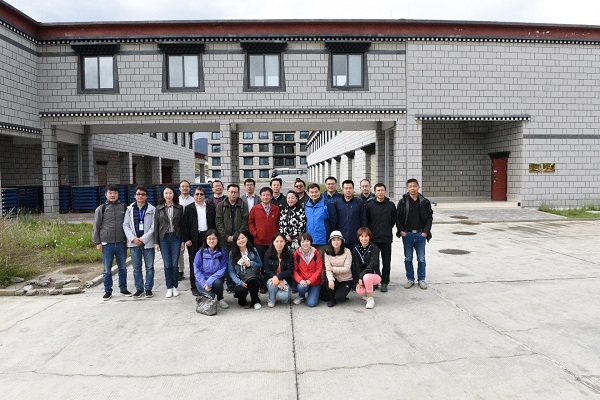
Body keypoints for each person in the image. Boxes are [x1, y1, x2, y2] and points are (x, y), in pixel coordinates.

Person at [93, 184, 130, 300]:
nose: (112, 195)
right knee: (107, 269)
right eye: (110, 193)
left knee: (122, 267)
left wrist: (128, 240)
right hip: (106, 243)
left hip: (121, 242)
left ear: (118, 194)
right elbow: (96, 226)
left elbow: (128, 225)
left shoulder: (124, 207)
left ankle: (123, 288)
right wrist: (98, 242)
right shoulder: (101, 209)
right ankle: (108, 290)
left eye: (115, 193)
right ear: (106, 194)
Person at [396, 178, 433, 290]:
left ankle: (421, 279)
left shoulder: (425, 202)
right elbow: (398, 217)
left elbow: (429, 218)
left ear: (418, 187)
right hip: (407, 235)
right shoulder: (403, 202)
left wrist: (425, 232)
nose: (412, 188)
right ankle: (410, 279)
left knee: (421, 258)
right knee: (408, 258)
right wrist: (401, 231)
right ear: (407, 188)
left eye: (414, 186)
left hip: (420, 234)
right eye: (410, 186)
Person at [123, 185, 156, 299]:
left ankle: (148, 289)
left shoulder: (152, 209)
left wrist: (143, 239)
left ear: (146, 196)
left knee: (149, 267)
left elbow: (153, 226)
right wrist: (133, 238)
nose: (140, 196)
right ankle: (139, 289)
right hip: (134, 243)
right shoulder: (129, 209)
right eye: (138, 194)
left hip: (148, 243)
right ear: (134, 196)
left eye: (143, 194)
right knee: (136, 268)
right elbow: (125, 225)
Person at [182, 186, 216, 296]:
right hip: (194, 239)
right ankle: (194, 286)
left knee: (208, 260)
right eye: (197, 194)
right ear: (194, 196)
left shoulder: (210, 207)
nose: (199, 196)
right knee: (194, 262)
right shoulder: (189, 208)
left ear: (204, 195)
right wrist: (186, 239)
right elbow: (185, 225)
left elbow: (214, 223)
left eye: (201, 194)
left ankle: (208, 284)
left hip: (207, 238)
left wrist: (214, 237)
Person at [215, 184, 249, 291]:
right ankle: (229, 284)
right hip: (225, 240)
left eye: (235, 192)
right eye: (231, 192)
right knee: (227, 262)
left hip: (239, 240)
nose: (233, 194)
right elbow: (218, 222)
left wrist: (237, 236)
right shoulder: (221, 205)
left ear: (238, 193)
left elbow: (245, 221)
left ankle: (239, 282)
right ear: (227, 192)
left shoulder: (242, 205)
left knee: (239, 261)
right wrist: (225, 236)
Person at [365, 183, 396, 293]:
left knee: (386, 262)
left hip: (386, 238)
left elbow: (393, 221)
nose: (380, 192)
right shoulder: (369, 205)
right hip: (373, 239)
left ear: (385, 191)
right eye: (378, 190)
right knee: (374, 262)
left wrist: (385, 229)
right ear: (375, 192)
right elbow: (367, 221)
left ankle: (385, 282)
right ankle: (375, 280)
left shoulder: (391, 205)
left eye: (382, 190)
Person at [154, 186, 184, 298]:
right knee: (167, 264)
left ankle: (175, 286)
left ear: (173, 194)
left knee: (174, 263)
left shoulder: (179, 208)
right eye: (166, 193)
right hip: (164, 238)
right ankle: (169, 287)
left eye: (170, 193)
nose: (168, 195)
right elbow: (156, 226)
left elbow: (182, 226)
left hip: (176, 237)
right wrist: (156, 242)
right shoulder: (159, 208)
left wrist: (182, 241)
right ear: (163, 195)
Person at [193, 229, 229, 309]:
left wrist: (210, 281)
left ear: (217, 239)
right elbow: (196, 270)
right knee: (211, 296)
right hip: (202, 281)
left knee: (218, 283)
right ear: (206, 240)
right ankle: (203, 296)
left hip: (215, 279)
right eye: (209, 238)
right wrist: (204, 283)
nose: (211, 241)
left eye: (214, 238)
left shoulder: (221, 253)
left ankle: (220, 299)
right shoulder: (200, 252)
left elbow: (222, 269)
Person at [227, 231, 263, 309]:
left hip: (252, 276)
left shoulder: (253, 250)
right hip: (240, 278)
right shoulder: (232, 253)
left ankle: (255, 300)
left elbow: (260, 264)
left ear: (246, 238)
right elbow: (231, 271)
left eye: (243, 238)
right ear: (235, 241)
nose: (241, 240)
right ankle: (242, 298)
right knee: (242, 302)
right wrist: (239, 282)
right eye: (238, 239)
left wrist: (251, 263)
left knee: (253, 281)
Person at [352, 227, 382, 309]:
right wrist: (358, 279)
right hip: (362, 276)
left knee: (367, 277)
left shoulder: (374, 248)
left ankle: (370, 298)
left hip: (374, 275)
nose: (364, 239)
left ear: (369, 237)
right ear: (358, 237)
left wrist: (361, 276)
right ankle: (366, 292)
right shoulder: (356, 249)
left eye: (366, 236)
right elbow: (357, 265)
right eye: (362, 236)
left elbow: (373, 264)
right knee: (360, 291)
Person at [248, 187, 281, 260]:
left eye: (268, 195)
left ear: (271, 197)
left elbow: (278, 222)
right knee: (260, 260)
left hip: (273, 241)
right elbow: (250, 222)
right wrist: (254, 233)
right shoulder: (255, 209)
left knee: (272, 260)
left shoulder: (276, 209)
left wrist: (276, 233)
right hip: (259, 241)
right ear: (260, 196)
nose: (265, 197)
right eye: (263, 195)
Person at [332, 179, 366, 248]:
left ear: (353, 189)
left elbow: (363, 219)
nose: (348, 190)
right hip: (341, 238)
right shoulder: (337, 203)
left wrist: (362, 235)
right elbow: (334, 220)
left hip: (355, 238)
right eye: (346, 188)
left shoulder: (359, 202)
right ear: (342, 189)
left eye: (350, 188)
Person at [292, 232, 323, 307]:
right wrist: (300, 280)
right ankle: (301, 296)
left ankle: (313, 293)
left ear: (310, 242)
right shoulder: (296, 254)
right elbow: (294, 271)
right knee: (301, 287)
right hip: (303, 282)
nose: (305, 243)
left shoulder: (316, 253)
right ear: (300, 243)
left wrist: (310, 280)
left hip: (315, 282)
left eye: (307, 241)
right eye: (303, 241)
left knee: (311, 304)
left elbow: (319, 270)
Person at [263, 233, 293, 307]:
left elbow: (290, 270)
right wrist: (277, 278)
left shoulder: (289, 254)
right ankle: (271, 299)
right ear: (273, 242)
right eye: (277, 241)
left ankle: (284, 293)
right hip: (272, 277)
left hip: (285, 279)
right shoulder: (268, 254)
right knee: (273, 284)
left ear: (285, 242)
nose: (279, 244)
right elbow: (267, 270)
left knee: (284, 298)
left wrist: (279, 278)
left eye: (281, 241)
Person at [323, 230, 353, 307]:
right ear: (331, 242)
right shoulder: (327, 252)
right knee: (327, 281)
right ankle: (332, 299)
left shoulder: (347, 251)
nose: (336, 242)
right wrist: (330, 280)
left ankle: (338, 295)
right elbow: (328, 269)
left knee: (340, 298)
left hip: (345, 279)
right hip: (334, 278)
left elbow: (347, 268)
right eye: (333, 240)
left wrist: (333, 269)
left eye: (338, 240)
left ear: (342, 241)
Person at [304, 183, 336, 255]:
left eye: (316, 192)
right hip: (310, 240)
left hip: (323, 240)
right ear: (308, 193)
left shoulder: (327, 204)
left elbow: (333, 221)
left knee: (323, 260)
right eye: (311, 192)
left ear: (319, 192)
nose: (314, 194)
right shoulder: (306, 205)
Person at [177, 180, 195, 281]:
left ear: (189, 188)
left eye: (186, 186)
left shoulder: (193, 200)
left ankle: (194, 271)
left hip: (190, 229)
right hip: (179, 229)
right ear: (179, 188)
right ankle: (180, 271)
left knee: (192, 253)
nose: (184, 188)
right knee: (180, 252)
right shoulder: (176, 200)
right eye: (182, 186)